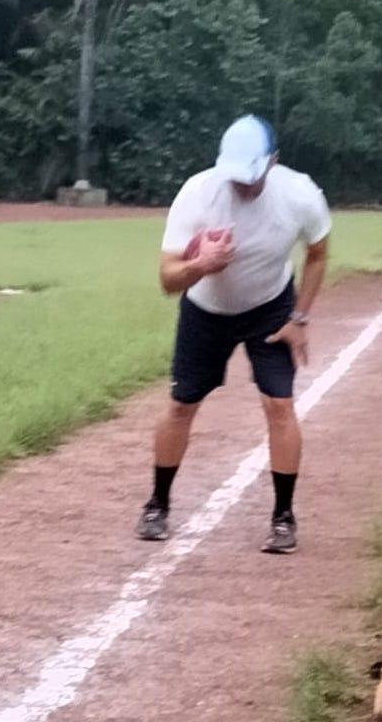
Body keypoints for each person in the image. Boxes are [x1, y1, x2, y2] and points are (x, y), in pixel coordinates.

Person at [137, 115, 331, 555]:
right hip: (206, 309)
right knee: (181, 404)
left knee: (279, 404)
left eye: (252, 176)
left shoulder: (299, 193)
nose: (242, 186)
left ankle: (283, 517)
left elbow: (318, 254)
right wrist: (201, 267)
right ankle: (158, 504)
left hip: (270, 308)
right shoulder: (198, 192)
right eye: (236, 176)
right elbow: (168, 280)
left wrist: (299, 318)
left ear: (273, 162)